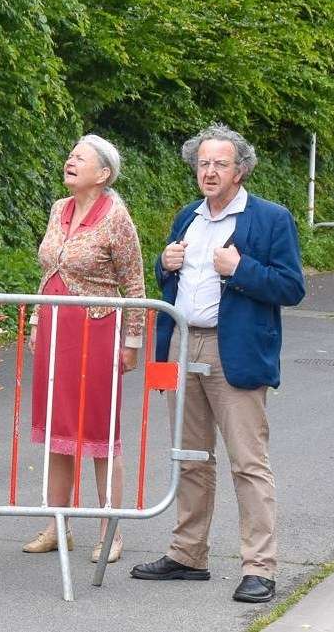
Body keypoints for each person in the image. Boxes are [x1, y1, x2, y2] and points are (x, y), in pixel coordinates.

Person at [131, 124, 306, 604]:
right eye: (202, 163)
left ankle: (260, 567)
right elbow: (172, 282)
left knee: (248, 462)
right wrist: (163, 264)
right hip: (183, 346)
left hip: (236, 352)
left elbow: (291, 287)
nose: (208, 171)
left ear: (241, 170)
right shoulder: (188, 216)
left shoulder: (270, 219)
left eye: (219, 164)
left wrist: (241, 270)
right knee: (190, 458)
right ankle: (188, 555)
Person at [23, 134, 147, 563]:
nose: (70, 160)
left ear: (104, 173)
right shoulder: (59, 208)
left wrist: (132, 342)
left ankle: (109, 532)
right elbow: (48, 270)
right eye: (70, 154)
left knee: (98, 432)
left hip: (96, 332)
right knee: (59, 432)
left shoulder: (117, 217)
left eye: (80, 157)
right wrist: (38, 318)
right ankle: (58, 526)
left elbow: (134, 283)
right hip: (56, 330)